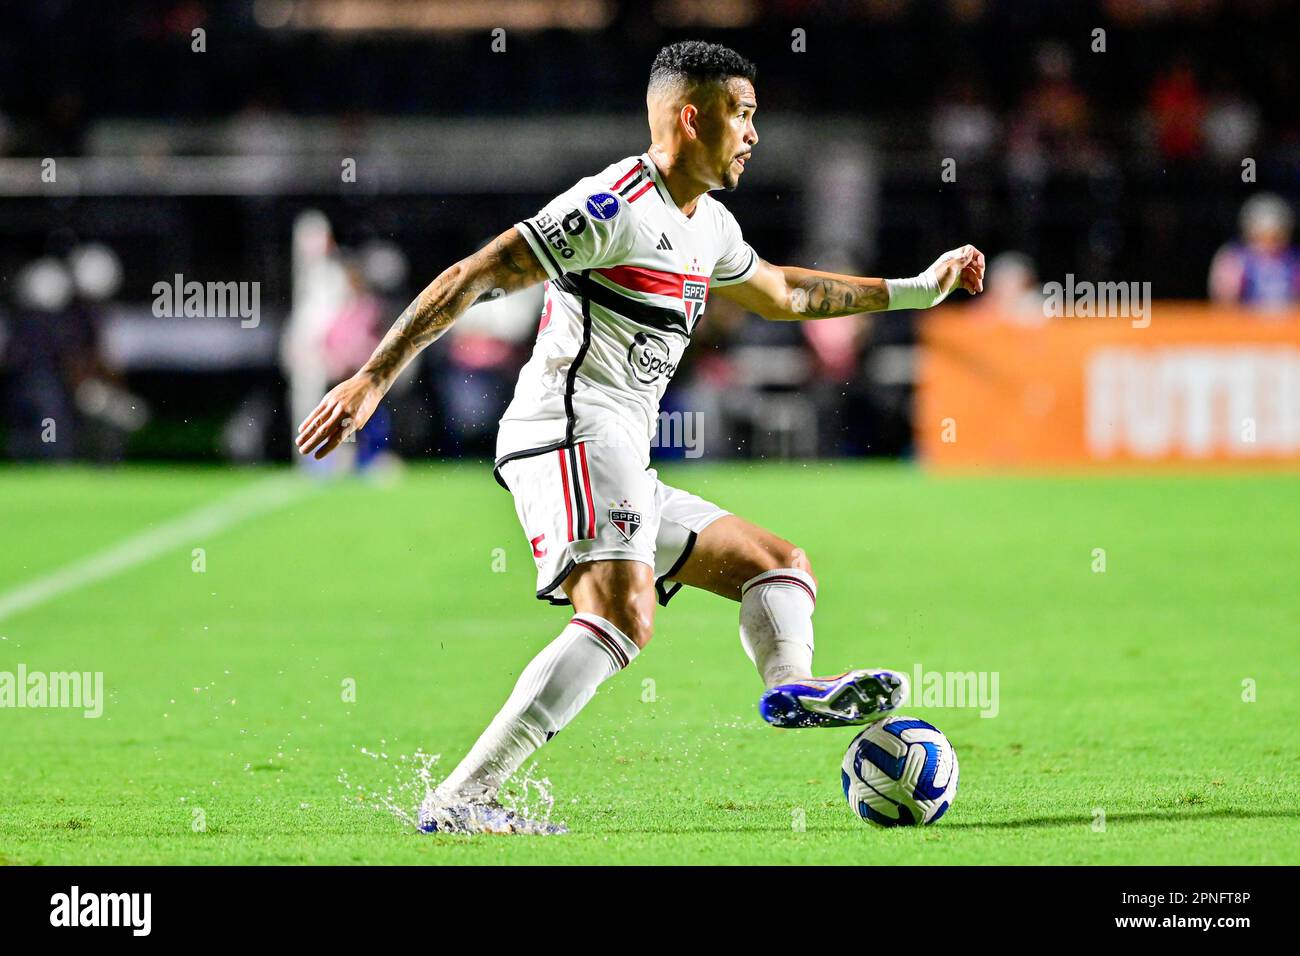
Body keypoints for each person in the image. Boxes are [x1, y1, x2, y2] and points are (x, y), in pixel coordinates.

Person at [295, 41, 985, 834]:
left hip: (620, 450)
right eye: (743, 113)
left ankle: (791, 682)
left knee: (779, 567)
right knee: (622, 612)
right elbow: (476, 274)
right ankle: (463, 798)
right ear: (691, 118)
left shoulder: (710, 226)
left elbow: (787, 291)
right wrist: (372, 378)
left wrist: (916, 289)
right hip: (567, 428)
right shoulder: (613, 206)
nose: (755, 132)